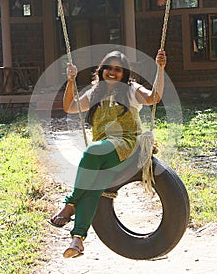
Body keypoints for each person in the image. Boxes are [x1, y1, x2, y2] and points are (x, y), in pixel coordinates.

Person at [49, 49, 166, 258]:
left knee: (92, 151)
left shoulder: (131, 90)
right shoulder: (95, 92)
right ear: (102, 70)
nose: (112, 73)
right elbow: (70, 106)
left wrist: (160, 68)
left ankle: (71, 203)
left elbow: (154, 97)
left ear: (124, 73)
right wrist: (70, 80)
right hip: (104, 152)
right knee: (93, 184)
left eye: (118, 70)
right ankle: (77, 240)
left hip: (128, 145)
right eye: (109, 68)